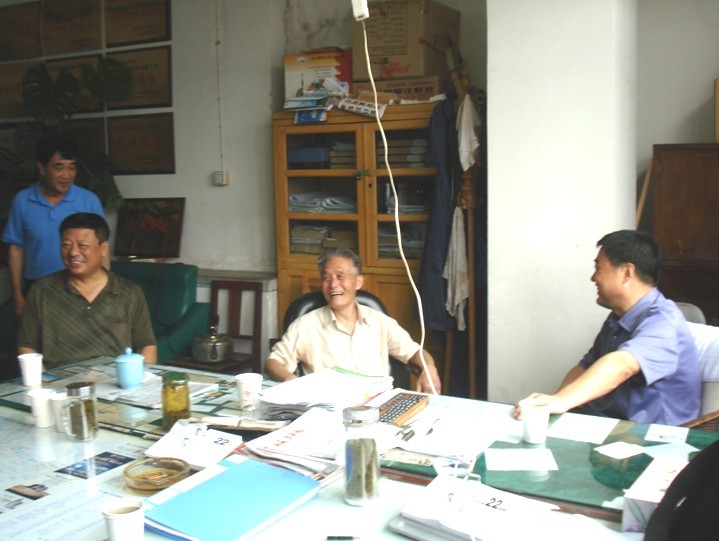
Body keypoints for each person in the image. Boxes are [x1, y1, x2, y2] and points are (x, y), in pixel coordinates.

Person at [515, 230, 701, 426]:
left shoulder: (664, 322)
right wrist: (553, 403)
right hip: (613, 426)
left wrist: (561, 401)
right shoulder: (618, 317)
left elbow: (623, 364)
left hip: (655, 436)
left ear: (627, 273)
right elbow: (585, 367)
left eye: (598, 267)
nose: (593, 277)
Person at [265, 248, 442, 394]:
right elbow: (273, 362)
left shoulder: (379, 322)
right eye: (326, 278)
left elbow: (415, 352)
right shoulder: (306, 326)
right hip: (328, 410)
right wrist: (291, 380)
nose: (333, 284)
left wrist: (429, 368)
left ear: (358, 282)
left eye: (340, 276)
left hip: (378, 407)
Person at [17, 213, 157, 369]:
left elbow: (147, 346)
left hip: (114, 380)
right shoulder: (42, 291)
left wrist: (141, 379)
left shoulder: (129, 292)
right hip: (58, 380)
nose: (73, 252)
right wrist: (44, 381)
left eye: (82, 245)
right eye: (66, 245)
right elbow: (27, 347)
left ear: (103, 248)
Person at [2, 134, 108, 317]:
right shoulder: (23, 201)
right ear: (42, 168)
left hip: (81, 288)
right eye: (59, 167)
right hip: (36, 287)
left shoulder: (88, 201)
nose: (66, 175)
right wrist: (17, 294)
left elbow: (102, 248)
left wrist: (105, 292)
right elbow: (16, 248)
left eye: (71, 167)